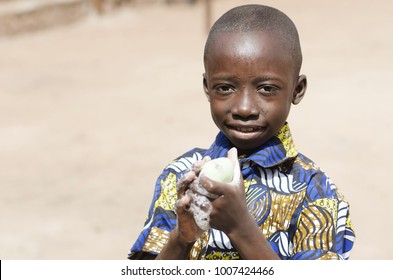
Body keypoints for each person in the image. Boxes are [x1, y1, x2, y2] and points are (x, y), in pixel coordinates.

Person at [128, 4, 355, 260]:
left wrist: (239, 228)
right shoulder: (180, 175)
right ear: (207, 88)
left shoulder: (315, 191)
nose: (244, 108)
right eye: (225, 88)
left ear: (297, 90)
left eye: (267, 89)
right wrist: (181, 239)